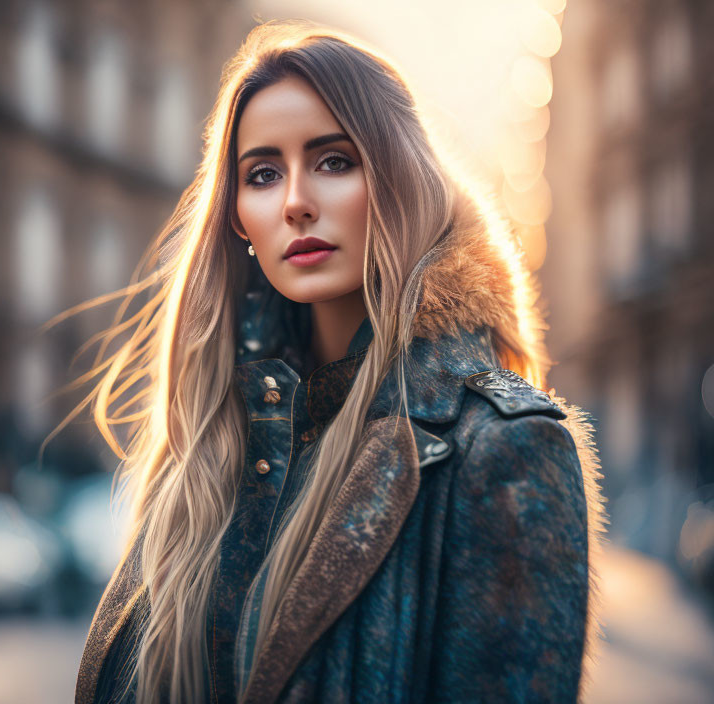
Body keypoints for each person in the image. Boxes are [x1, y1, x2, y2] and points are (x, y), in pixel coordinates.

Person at [70, 19, 608, 704]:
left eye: (333, 161)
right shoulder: (210, 444)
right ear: (237, 216)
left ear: (399, 179)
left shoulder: (505, 448)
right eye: (262, 174)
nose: (295, 202)